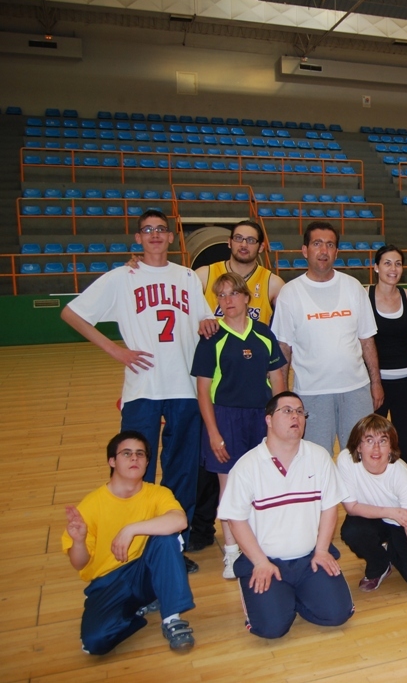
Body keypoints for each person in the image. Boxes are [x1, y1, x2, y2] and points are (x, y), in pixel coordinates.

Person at [61, 209, 215, 572]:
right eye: (148, 230)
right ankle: (134, 544)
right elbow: (72, 313)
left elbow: (203, 320)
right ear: (138, 238)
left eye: (161, 230)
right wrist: (115, 349)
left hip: (183, 384)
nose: (155, 235)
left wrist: (209, 321)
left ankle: (172, 546)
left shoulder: (187, 276)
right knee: (134, 469)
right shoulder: (121, 277)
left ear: (172, 237)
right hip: (142, 386)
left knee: (181, 469)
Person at [218, 392, 354, 639]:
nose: (296, 417)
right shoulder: (247, 466)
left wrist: (322, 550)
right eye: (288, 411)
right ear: (268, 420)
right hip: (265, 561)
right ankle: (274, 597)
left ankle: (293, 596)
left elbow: (330, 507)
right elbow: (235, 519)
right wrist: (259, 561)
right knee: (271, 629)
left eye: (300, 412)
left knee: (338, 614)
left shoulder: (319, 456)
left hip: (309, 559)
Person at [191, 271, 288, 579]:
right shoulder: (211, 338)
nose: (227, 301)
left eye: (233, 294)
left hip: (261, 417)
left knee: (265, 482)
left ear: (247, 297)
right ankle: (232, 553)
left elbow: (278, 380)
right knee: (229, 486)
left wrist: (281, 419)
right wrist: (214, 432)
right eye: (221, 295)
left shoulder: (263, 334)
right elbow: (203, 391)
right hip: (226, 418)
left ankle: (261, 544)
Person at [63, 431, 195, 655]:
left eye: (140, 454)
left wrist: (131, 530)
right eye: (127, 453)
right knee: (95, 643)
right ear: (112, 461)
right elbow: (79, 563)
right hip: (108, 582)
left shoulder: (158, 494)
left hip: (144, 572)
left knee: (166, 537)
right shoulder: (91, 504)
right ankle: (135, 610)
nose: (134, 458)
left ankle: (172, 619)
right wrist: (78, 541)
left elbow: (179, 520)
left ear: (146, 462)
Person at [270, 221, 383, 455]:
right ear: (305, 250)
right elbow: (283, 349)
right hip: (312, 393)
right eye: (317, 244)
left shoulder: (353, 287)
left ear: (336, 252)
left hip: (356, 390)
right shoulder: (290, 293)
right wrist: (282, 398)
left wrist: (376, 383)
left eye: (330, 245)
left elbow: (367, 341)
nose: (324, 250)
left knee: (358, 459)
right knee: (315, 459)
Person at [337, 414, 407, 597]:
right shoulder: (346, 460)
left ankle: (393, 547)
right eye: (369, 440)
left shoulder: (402, 475)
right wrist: (390, 512)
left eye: (383, 441)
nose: (376, 448)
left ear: (391, 447)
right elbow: (351, 507)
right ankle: (380, 564)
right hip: (375, 516)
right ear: (358, 446)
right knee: (352, 530)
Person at [368, 245, 407, 476]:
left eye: (398, 263)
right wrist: (373, 381)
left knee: (406, 444)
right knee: (373, 443)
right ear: (376, 267)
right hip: (376, 384)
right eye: (387, 263)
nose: (393, 268)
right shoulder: (364, 296)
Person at [196, 219, 284, 323]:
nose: (243, 245)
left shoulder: (273, 283)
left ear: (261, 247)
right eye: (238, 238)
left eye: (250, 240)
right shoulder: (204, 275)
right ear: (229, 242)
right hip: (215, 339)